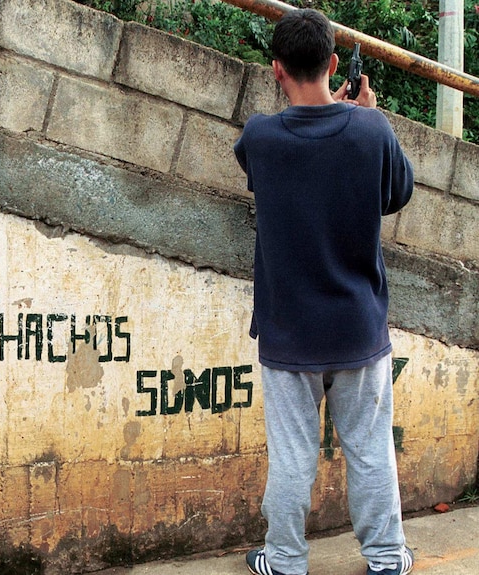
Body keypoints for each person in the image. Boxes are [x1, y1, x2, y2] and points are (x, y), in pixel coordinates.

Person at [233, 9, 414, 575]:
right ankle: (386, 559)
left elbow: (272, 168)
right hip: (358, 327)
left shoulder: (258, 137)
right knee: (369, 450)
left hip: (289, 333)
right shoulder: (372, 131)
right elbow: (396, 192)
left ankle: (284, 560)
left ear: (276, 70)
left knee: (292, 457)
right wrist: (368, 117)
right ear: (335, 63)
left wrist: (331, 113)